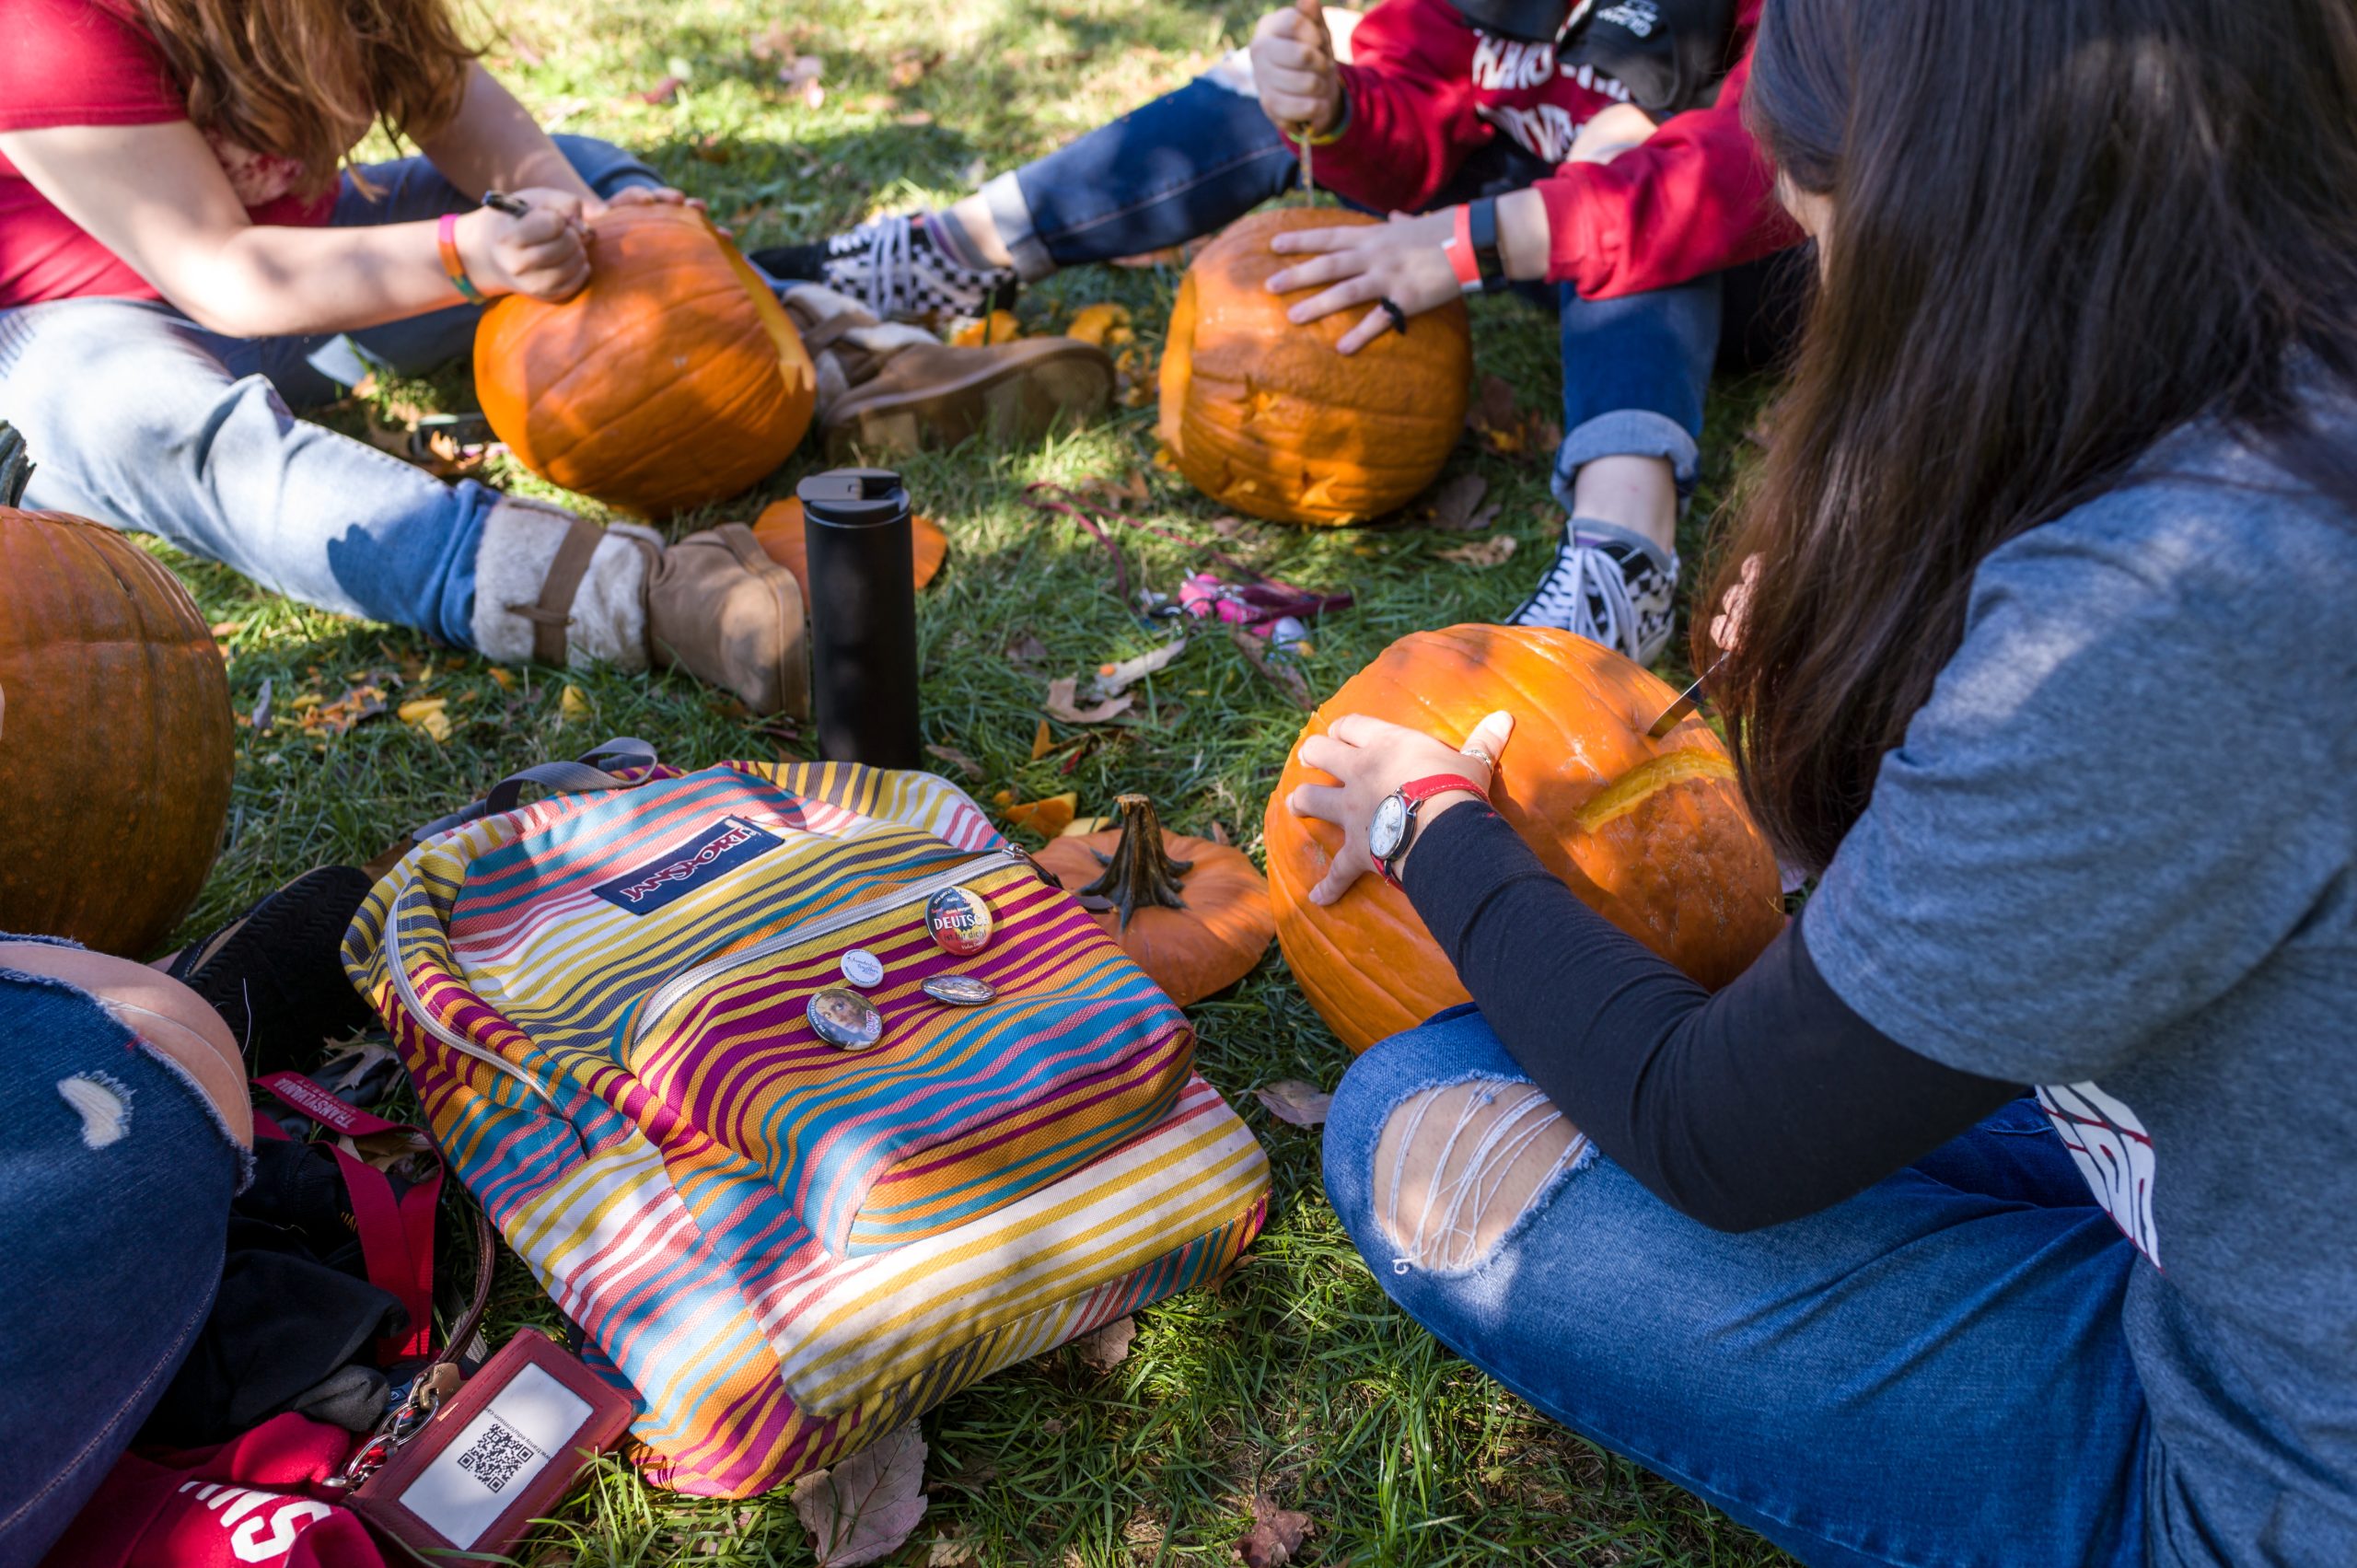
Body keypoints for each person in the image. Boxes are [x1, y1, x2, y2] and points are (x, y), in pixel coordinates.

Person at [1284, 0, 2357, 1561]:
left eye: (1821, 235)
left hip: (2266, 1474)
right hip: (2245, 1187)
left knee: (1415, 1109)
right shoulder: (2268, 417)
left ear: (1951, 221)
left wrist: (1426, 817)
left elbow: (1714, 1128)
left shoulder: (2165, 613)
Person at [0, 0, 1110, 717]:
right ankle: (647, 598)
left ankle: (834, 362)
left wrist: (595, 228)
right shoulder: (47, 24)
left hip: (318, 272)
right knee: (149, 423)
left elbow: (477, 126)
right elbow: (229, 276)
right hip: (92, 328)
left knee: (579, 170)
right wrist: (466, 252)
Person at [759, 0, 1802, 666]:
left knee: (1632, 160)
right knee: (1263, 84)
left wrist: (1465, 243)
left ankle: (1624, 552)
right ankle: (954, 247)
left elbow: (1743, 174)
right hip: (1519, 212)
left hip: (1759, 254)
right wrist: (1338, 106)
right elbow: (1418, 134)